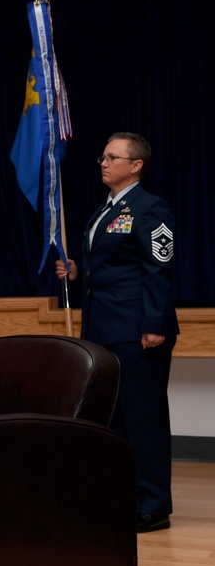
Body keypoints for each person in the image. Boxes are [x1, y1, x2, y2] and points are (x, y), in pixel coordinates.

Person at [56, 131, 178, 533]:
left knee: (144, 417)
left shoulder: (150, 208)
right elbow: (110, 269)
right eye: (103, 157)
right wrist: (77, 272)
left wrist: (155, 325)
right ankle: (125, 495)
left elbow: (159, 269)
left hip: (137, 330)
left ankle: (154, 504)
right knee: (115, 419)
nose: (103, 163)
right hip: (104, 328)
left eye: (112, 157)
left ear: (136, 165)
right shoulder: (104, 210)